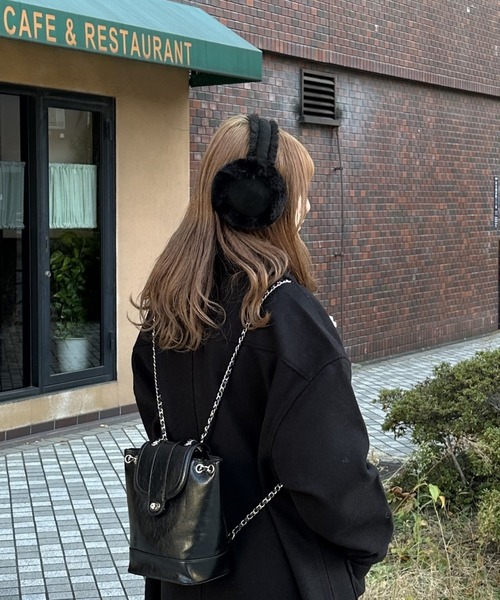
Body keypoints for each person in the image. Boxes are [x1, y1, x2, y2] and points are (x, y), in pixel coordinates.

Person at [131, 114, 393, 600]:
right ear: (260, 200)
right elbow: (330, 474)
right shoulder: (287, 317)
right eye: (302, 193)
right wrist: (364, 549)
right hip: (281, 571)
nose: (308, 206)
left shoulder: (165, 312)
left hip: (182, 568)